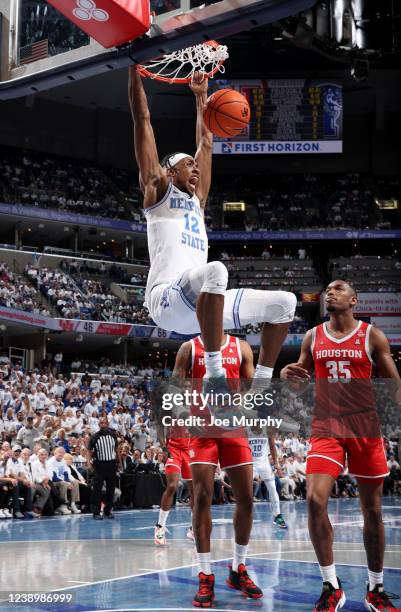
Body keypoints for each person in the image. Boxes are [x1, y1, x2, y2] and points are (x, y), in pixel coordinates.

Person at [128, 66, 296, 402]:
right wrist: (133, 71)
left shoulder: (198, 201)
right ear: (168, 170)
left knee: (284, 304)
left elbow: (206, 140)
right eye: (187, 164)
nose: (195, 168)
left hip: (200, 313)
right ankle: (215, 373)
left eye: (195, 164)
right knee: (215, 270)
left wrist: (202, 97)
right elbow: (142, 119)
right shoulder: (157, 189)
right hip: (166, 299)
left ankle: (261, 389)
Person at [280, 279, 401, 612]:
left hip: (364, 425)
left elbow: (394, 386)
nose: (329, 293)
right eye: (326, 291)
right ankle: (331, 585)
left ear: (354, 300)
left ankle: (375, 588)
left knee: (373, 511)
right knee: (314, 500)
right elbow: (296, 383)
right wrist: (286, 377)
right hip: (326, 425)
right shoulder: (312, 336)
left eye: (337, 289)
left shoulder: (371, 336)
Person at [161, 334, 263, 608]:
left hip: (233, 428)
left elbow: (253, 387)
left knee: (247, 498)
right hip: (202, 430)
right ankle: (205, 573)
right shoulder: (189, 348)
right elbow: (174, 387)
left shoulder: (241, 347)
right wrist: (183, 413)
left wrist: (250, 405)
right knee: (202, 496)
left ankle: (238, 569)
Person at [247, 427, 287, 528]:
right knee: (244, 491)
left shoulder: (267, 429)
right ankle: (244, 516)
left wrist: (276, 464)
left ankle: (277, 516)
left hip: (264, 463)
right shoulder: (245, 429)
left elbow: (272, 446)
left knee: (273, 489)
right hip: (251, 463)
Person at [88, 416, 120, 520]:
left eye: (105, 423)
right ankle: (96, 512)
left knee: (111, 489)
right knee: (97, 489)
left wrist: (119, 461)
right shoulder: (95, 437)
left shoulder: (113, 435)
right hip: (100, 464)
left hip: (111, 464)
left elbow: (116, 449)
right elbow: (89, 451)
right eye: (101, 423)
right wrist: (88, 463)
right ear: (99, 425)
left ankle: (107, 511)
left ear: (107, 424)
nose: (103, 425)